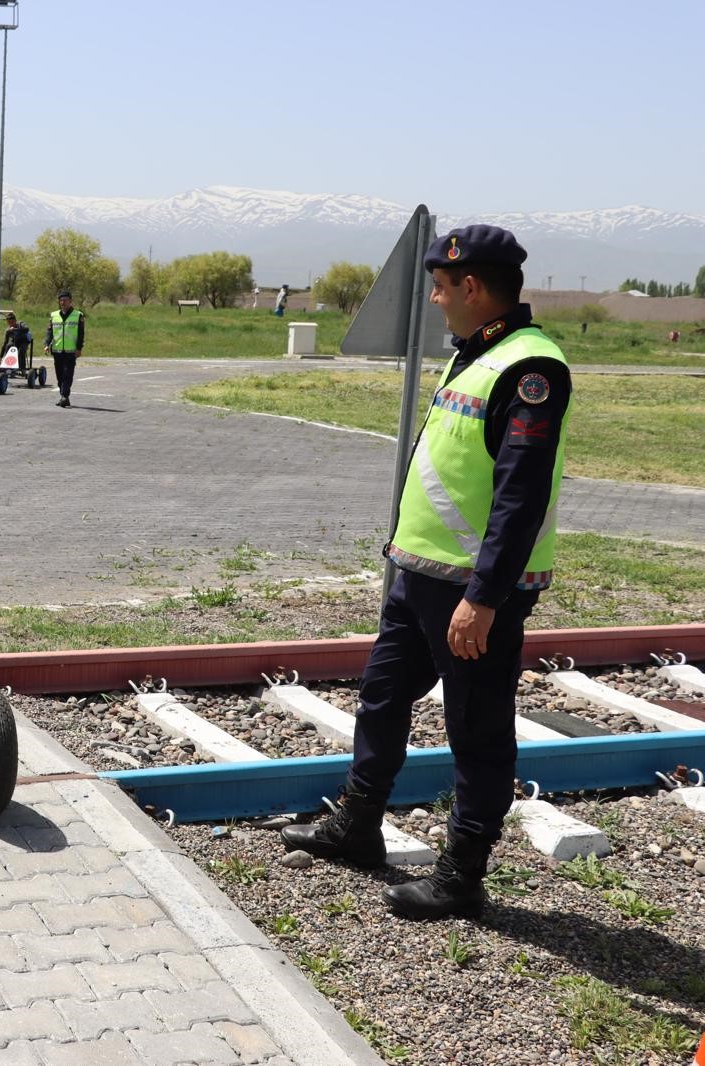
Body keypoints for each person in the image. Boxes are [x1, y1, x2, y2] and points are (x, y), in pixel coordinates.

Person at [279, 224, 572, 921]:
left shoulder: (531, 368)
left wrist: (485, 597)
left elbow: (519, 497)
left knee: (477, 729)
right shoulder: (474, 354)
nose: (435, 300)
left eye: (441, 288)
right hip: (419, 578)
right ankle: (358, 826)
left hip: (474, 593)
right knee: (381, 697)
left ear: (471, 286)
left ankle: (463, 874)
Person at [44, 290, 85, 407]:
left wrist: (79, 348)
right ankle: (64, 396)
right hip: (57, 350)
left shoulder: (78, 315)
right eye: (61, 300)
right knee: (59, 375)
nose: (63, 302)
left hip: (71, 351)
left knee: (68, 374)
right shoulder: (54, 315)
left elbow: (81, 334)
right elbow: (49, 332)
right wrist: (47, 344)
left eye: (65, 300)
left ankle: (64, 396)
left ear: (70, 301)